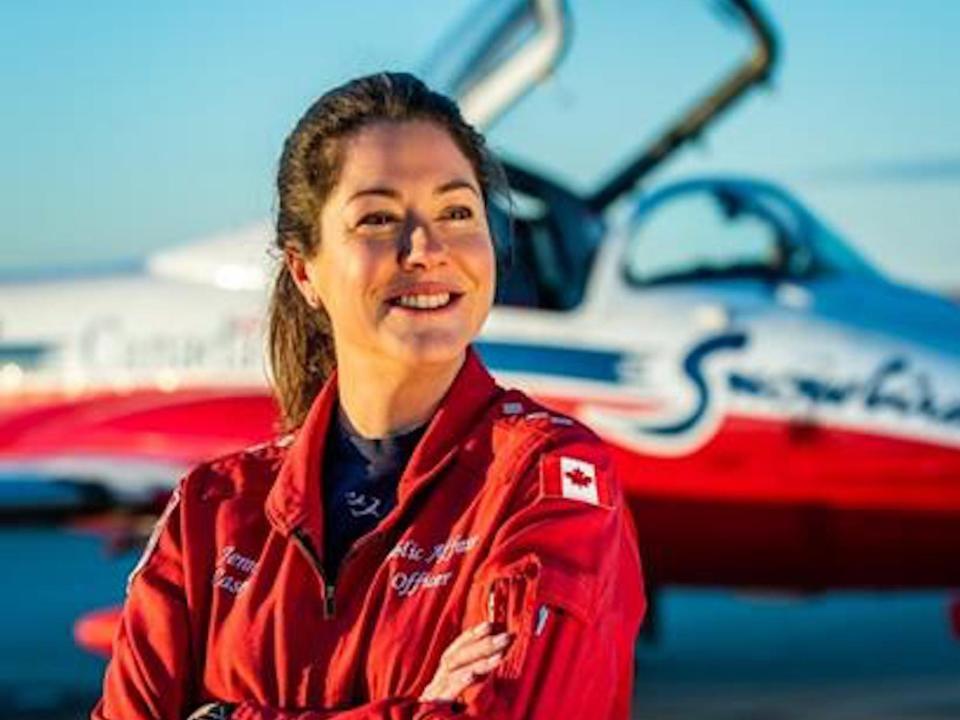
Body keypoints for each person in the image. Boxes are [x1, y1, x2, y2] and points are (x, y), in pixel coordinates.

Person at [92, 72, 645, 720]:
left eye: (457, 211)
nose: (428, 249)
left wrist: (221, 716)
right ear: (305, 271)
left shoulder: (544, 479)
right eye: (379, 218)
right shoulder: (212, 513)